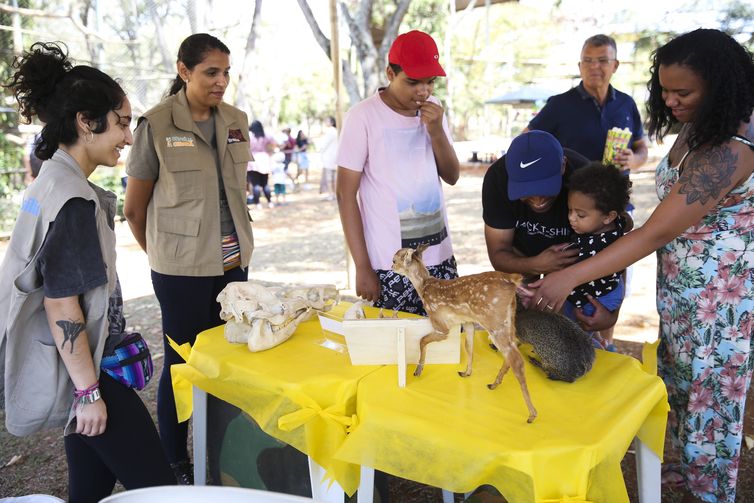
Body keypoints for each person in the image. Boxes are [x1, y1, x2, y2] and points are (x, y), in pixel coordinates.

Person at [530, 28, 754, 503]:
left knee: (710, 404)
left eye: (683, 92)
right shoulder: (699, 123)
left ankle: (709, 493)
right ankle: (677, 483)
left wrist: (569, 275)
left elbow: (655, 232)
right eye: (665, 90)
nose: (671, 101)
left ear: (719, 85)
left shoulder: (733, 146)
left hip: (720, 301)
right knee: (680, 391)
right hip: (684, 291)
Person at [0, 42, 175, 502]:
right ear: (85, 121)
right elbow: (61, 302)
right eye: (120, 123)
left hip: (82, 367)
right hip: (91, 372)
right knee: (160, 490)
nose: (128, 137)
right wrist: (88, 392)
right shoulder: (72, 199)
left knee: (89, 490)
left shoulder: (48, 181)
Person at [124, 33, 254, 485]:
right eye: (210, 72)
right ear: (184, 71)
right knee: (182, 365)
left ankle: (223, 458)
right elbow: (134, 210)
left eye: (226, 72)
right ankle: (174, 463)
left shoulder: (236, 120)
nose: (221, 82)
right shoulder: (156, 125)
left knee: (231, 362)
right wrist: (164, 256)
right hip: (179, 273)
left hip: (233, 267)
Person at [337, 30, 460, 315]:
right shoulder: (363, 116)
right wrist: (363, 266)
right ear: (390, 73)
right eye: (413, 82)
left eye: (430, 82)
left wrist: (436, 132)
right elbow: (345, 195)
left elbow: (452, 176)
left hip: (438, 257)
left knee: (444, 341)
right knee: (393, 349)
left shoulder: (435, 110)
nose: (423, 91)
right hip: (389, 264)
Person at [481, 130, 618, 333]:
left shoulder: (586, 178)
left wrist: (611, 313)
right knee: (520, 327)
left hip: (580, 263)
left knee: (580, 329)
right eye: (525, 192)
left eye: (544, 188)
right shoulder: (498, 178)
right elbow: (499, 253)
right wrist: (537, 265)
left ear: (563, 166)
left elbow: (615, 242)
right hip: (521, 257)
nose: (537, 200)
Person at [526, 34, 648, 172]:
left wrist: (634, 160)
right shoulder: (559, 104)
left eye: (602, 60)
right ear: (580, 66)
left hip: (618, 191)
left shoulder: (627, 103)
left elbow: (641, 146)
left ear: (615, 65)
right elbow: (525, 142)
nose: (594, 66)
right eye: (587, 60)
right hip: (572, 191)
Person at [561, 163, 631, 347]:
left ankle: (603, 352)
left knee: (581, 338)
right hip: (603, 290)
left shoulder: (597, 246)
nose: (571, 218)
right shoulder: (611, 228)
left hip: (597, 297)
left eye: (580, 215)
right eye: (570, 211)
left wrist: (576, 305)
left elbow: (576, 280)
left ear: (608, 217)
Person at [247, 119, 275, 207]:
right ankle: (270, 202)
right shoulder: (265, 135)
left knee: (255, 185)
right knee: (265, 184)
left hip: (252, 162)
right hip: (264, 161)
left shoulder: (249, 135)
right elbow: (274, 144)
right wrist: (269, 151)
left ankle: (258, 204)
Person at [319, 116, 338, 200]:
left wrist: (319, 149)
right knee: (333, 177)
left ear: (332, 122)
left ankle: (331, 194)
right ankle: (334, 193)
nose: (325, 122)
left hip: (329, 157)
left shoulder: (330, 131)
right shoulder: (336, 131)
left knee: (329, 177)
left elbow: (323, 145)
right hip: (334, 157)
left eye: (327, 121)